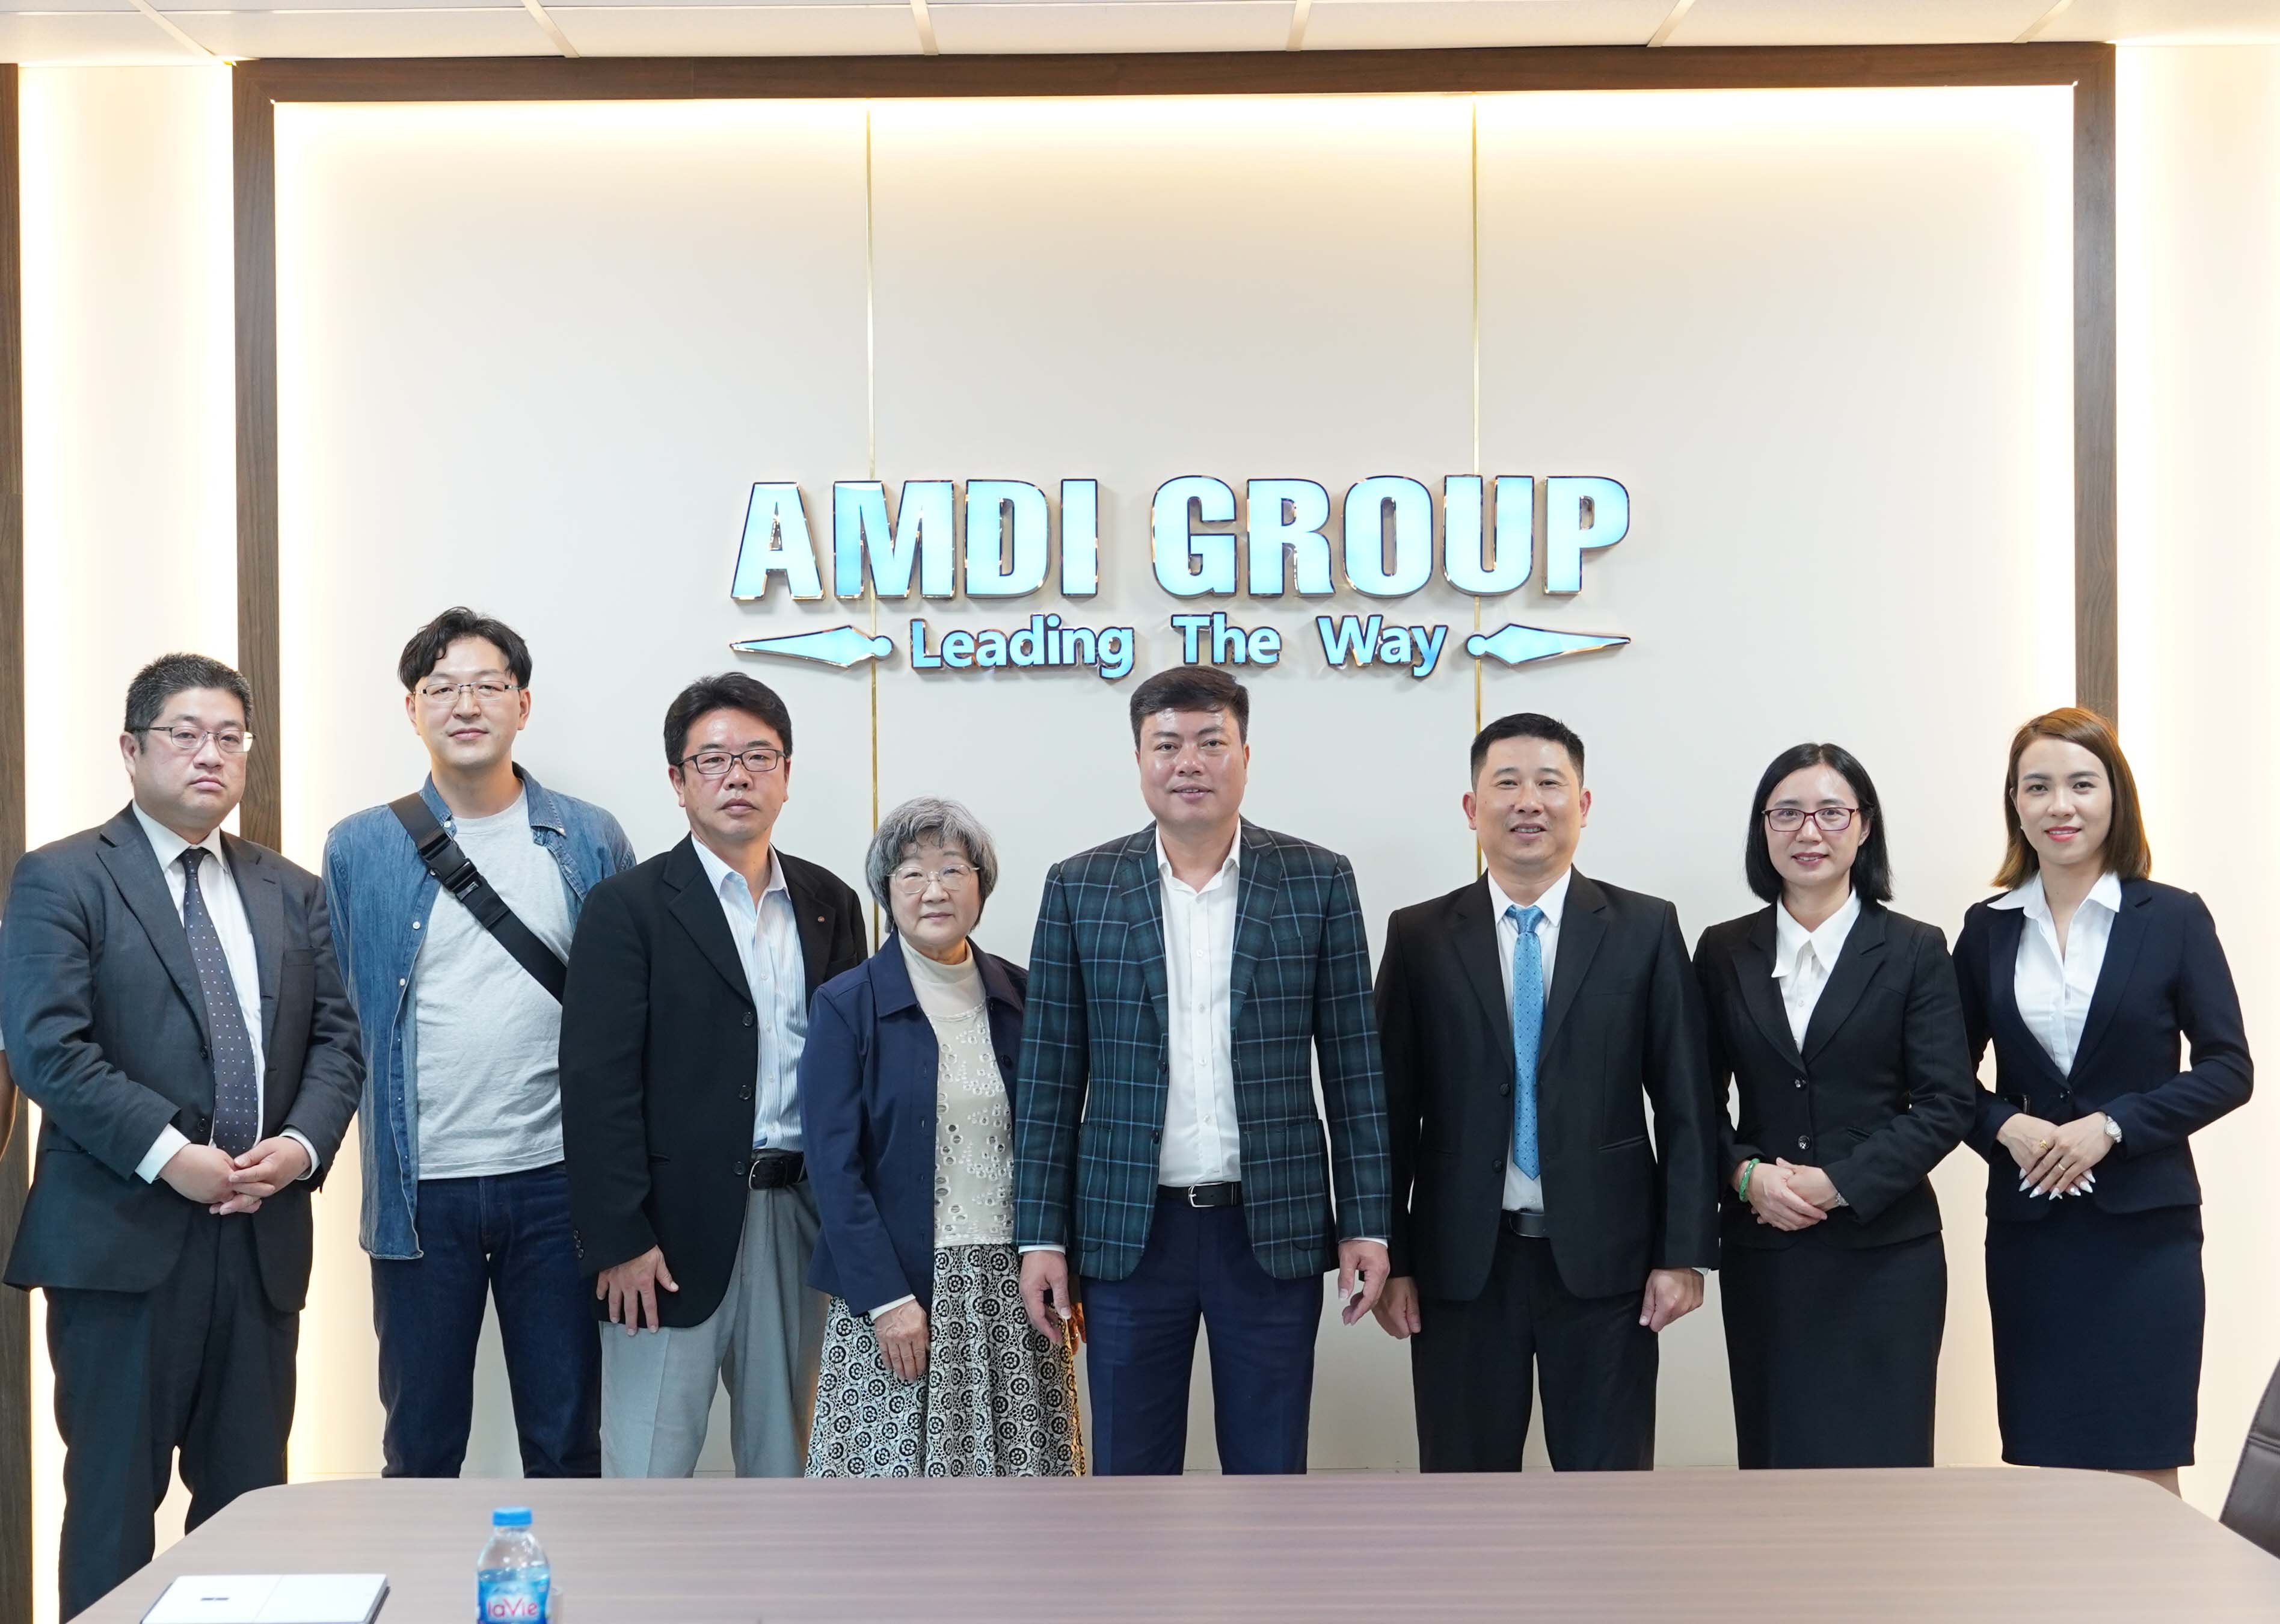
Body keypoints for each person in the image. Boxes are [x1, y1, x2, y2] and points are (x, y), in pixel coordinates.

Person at [0, 654, 362, 1619]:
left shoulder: (292, 889)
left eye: (230, 738)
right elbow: (48, 1050)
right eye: (186, 734)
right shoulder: (62, 878)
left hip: (259, 1244)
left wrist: (300, 1148)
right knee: (113, 1512)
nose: (212, 755)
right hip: (119, 1248)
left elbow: (339, 1040)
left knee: (251, 1515)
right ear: (131, 749)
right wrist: (173, 1157)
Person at [1013, 663, 1391, 1477]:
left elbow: (1354, 1070)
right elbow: (1048, 1079)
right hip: (1127, 1232)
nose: (1188, 762)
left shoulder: (1316, 880)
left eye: (1210, 742)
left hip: (1270, 1228)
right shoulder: (1080, 887)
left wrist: (1366, 1222)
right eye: (1166, 745)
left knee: (1269, 1472)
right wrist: (1041, 1235)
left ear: (1244, 757)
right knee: (1128, 1474)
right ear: (1139, 760)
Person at [322, 607, 634, 1480]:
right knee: (419, 1449)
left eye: (488, 685)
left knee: (567, 1442)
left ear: (522, 704)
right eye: (442, 688)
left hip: (558, 1184)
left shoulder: (590, 837)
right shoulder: (359, 847)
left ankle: (563, 1574)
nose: (466, 705)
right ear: (412, 708)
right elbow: (340, 1015)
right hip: (421, 1192)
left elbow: (627, 1017)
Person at [1374, 712, 1717, 1472]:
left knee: (1606, 1497)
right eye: (1506, 783)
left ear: (1582, 805)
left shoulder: (1644, 929)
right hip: (1460, 1267)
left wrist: (1682, 1253)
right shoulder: (1419, 936)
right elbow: (1388, 1114)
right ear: (1472, 808)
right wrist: (1391, 1255)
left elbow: (1686, 1104)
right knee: (1463, 1492)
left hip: (1608, 1267)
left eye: (1548, 783)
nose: (1527, 801)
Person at [560, 672, 865, 1478]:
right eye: (713, 760)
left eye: (758, 757)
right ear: (678, 780)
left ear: (786, 775)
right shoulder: (626, 908)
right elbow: (596, 1087)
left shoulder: (829, 903)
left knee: (789, 1466)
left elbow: (850, 1080)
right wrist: (621, 1238)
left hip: (799, 1220)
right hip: (665, 1239)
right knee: (649, 1475)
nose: (738, 776)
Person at [1958, 707, 2251, 1494]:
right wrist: (2005, 1125)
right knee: (2042, 1470)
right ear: (2014, 804)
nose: (2060, 805)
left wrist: (2113, 1125)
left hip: (2143, 1237)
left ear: (2114, 796)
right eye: (2037, 787)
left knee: (2144, 1462)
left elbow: (2228, 1067)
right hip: (2029, 1239)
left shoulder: (2172, 918)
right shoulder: (1985, 929)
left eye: (2081, 784)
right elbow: (1942, 1082)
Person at [1692, 743, 1973, 1469]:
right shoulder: (1721, 951)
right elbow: (1692, 1100)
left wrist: (1839, 1182)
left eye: (1829, 813)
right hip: (1765, 1252)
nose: (1807, 831)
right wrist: (1743, 1175)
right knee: (1774, 1463)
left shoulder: (1914, 949)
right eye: (1786, 813)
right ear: (1762, 828)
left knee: (1885, 1469)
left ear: (1864, 826)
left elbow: (1946, 1102)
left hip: (1886, 1257)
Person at [801, 797, 1080, 1477]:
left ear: (981, 886)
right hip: (899, 1295)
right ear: (885, 891)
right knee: (893, 1507)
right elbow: (833, 1169)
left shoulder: (1026, 997)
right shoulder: (847, 1005)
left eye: (953, 870)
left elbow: (1059, 1143)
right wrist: (886, 1302)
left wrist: (1069, 1268)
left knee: (1024, 1499)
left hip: (1016, 1290)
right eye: (911, 874)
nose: (934, 890)